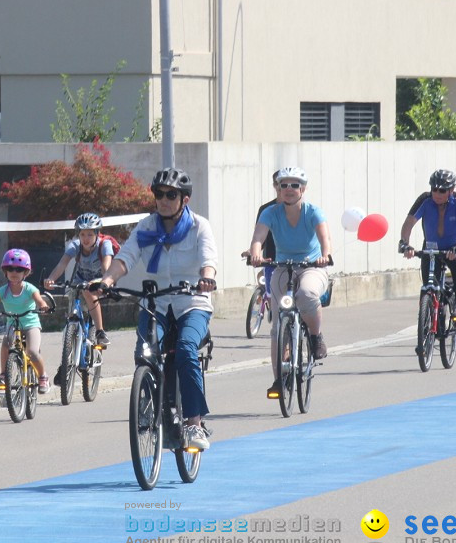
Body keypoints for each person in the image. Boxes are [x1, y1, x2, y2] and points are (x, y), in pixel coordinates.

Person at [94, 167, 217, 451]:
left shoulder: (200, 226)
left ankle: (194, 422)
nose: (163, 200)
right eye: (158, 194)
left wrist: (206, 277)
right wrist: (107, 280)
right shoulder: (147, 226)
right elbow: (126, 257)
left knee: (186, 349)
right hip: (157, 303)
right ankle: (151, 408)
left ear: (184, 199)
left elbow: (208, 258)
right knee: (145, 353)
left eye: (170, 195)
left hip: (192, 302)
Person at [247, 166, 333, 399]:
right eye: (283, 185)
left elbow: (325, 238)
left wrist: (325, 255)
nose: (288, 189)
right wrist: (256, 253)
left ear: (303, 189)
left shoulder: (313, 212)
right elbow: (258, 237)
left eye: (294, 185)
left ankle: (315, 337)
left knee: (306, 294)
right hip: (283, 268)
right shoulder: (270, 213)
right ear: (278, 189)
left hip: (311, 267)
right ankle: (278, 380)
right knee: (277, 328)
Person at [398, 169, 456, 318]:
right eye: (434, 189)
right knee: (429, 285)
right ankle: (430, 316)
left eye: (442, 190)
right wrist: (405, 243)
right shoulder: (425, 199)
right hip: (431, 248)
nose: (437, 193)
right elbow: (409, 222)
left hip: (452, 247)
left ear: (451, 190)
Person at [0, 249, 51, 393]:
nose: (14, 272)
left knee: (32, 351)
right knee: (6, 343)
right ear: (5, 271)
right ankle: (4, 373)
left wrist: (43, 306)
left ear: (26, 273)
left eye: (19, 269)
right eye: (10, 268)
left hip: (31, 324)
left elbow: (40, 301)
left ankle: (43, 376)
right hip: (12, 324)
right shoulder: (2, 291)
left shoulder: (30, 289)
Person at [44, 212, 114, 348]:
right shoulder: (75, 246)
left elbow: (107, 267)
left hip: (101, 279)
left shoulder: (104, 245)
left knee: (88, 291)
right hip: (80, 280)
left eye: (90, 234)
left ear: (97, 234)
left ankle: (100, 332)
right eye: (82, 234)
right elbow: (62, 264)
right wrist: (51, 279)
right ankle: (69, 355)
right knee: (72, 305)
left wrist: (103, 284)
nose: (85, 239)